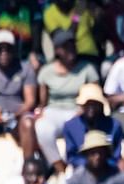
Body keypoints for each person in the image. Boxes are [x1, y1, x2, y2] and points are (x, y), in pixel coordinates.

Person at [35, 30, 99, 175]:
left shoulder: (87, 69)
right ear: (58, 50)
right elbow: (43, 103)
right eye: (66, 47)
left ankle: (76, 167)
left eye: (72, 45)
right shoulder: (46, 71)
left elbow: (95, 95)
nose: (71, 50)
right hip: (54, 111)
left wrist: (84, 108)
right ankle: (61, 168)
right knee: (42, 128)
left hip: (78, 110)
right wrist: (40, 112)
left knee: (77, 126)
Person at [0, 30, 38, 161]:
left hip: (18, 116)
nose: (4, 53)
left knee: (27, 122)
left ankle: (29, 164)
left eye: (8, 49)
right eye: (0, 49)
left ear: (14, 50)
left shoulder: (26, 68)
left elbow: (30, 101)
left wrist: (14, 115)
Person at [63, 84, 123, 169]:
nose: (91, 108)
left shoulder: (114, 125)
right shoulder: (70, 127)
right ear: (82, 105)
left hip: (108, 170)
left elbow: (116, 155)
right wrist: (90, 164)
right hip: (81, 170)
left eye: (94, 104)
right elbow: (71, 156)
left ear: (100, 104)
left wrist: (103, 165)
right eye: (87, 104)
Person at [42, 0, 101, 69]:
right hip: (66, 58)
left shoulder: (81, 4)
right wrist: (78, 14)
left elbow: (97, 28)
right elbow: (64, 37)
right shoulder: (49, 13)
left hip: (89, 54)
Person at [0, 0, 44, 70]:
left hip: (27, 55)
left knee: (37, 64)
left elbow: (36, 36)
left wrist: (34, 53)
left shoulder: (30, 9)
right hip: (6, 55)